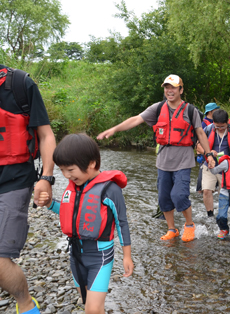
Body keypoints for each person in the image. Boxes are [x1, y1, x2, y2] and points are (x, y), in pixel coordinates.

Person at [97, 74, 215, 242]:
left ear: (181, 90)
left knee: (180, 195)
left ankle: (189, 225)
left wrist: (208, 154)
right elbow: (136, 119)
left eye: (173, 87)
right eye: (167, 87)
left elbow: (200, 133)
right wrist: (114, 129)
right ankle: (172, 229)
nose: (169, 90)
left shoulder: (191, 110)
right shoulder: (158, 108)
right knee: (164, 198)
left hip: (183, 160)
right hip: (163, 161)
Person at [39, 134, 133, 314]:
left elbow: (122, 223)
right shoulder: (74, 186)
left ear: (91, 163)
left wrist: (126, 256)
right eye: (62, 170)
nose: (66, 175)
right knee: (85, 300)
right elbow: (71, 212)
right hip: (76, 254)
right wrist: (50, 203)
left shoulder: (110, 189)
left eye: (70, 169)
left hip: (100, 255)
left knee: (92, 309)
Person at [0, 66, 56, 314]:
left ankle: (25, 304)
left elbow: (45, 135)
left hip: (14, 179)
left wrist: (46, 177)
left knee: (0, 259)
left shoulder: (20, 84)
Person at [196, 109, 230, 218]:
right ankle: (210, 216)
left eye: (223, 126)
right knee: (207, 191)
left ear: (227, 122)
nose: (220, 129)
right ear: (213, 123)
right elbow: (198, 146)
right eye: (217, 126)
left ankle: (225, 215)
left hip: (227, 168)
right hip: (210, 165)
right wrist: (208, 153)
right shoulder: (207, 129)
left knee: (226, 194)